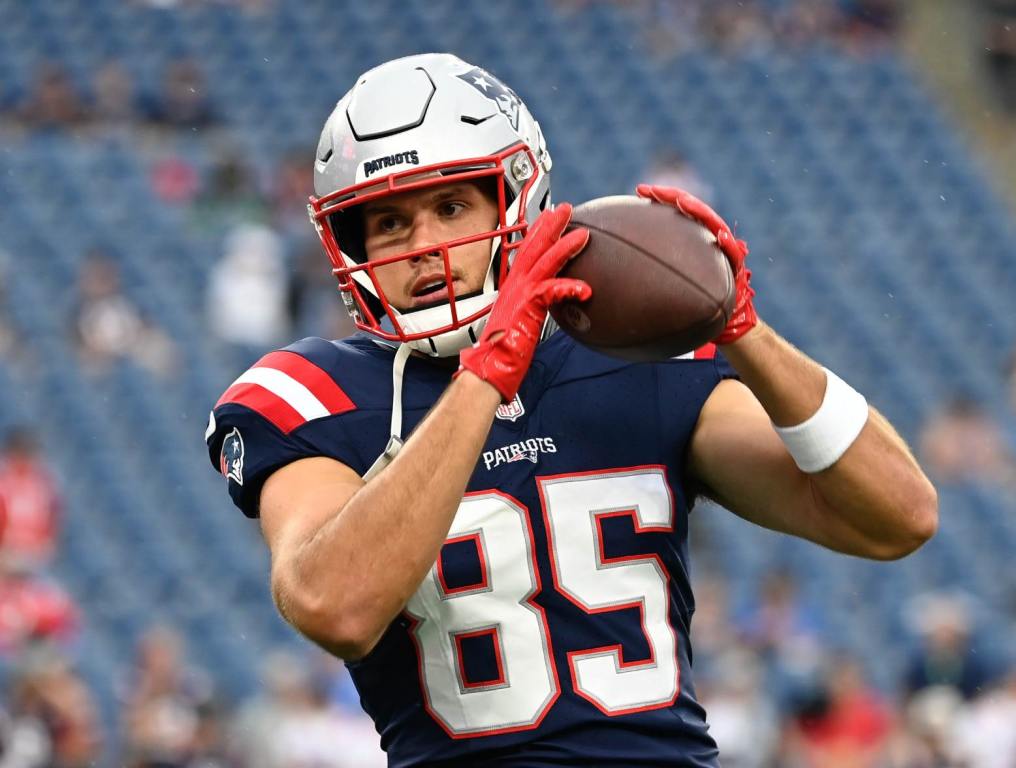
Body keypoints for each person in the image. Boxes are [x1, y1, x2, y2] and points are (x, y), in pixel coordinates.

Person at [205, 53, 937, 766]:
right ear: (349, 242)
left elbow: (899, 516)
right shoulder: (309, 392)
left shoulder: (637, 356)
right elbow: (335, 606)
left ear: (517, 197)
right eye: (389, 224)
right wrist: (484, 379)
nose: (424, 247)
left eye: (451, 206)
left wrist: (745, 331)